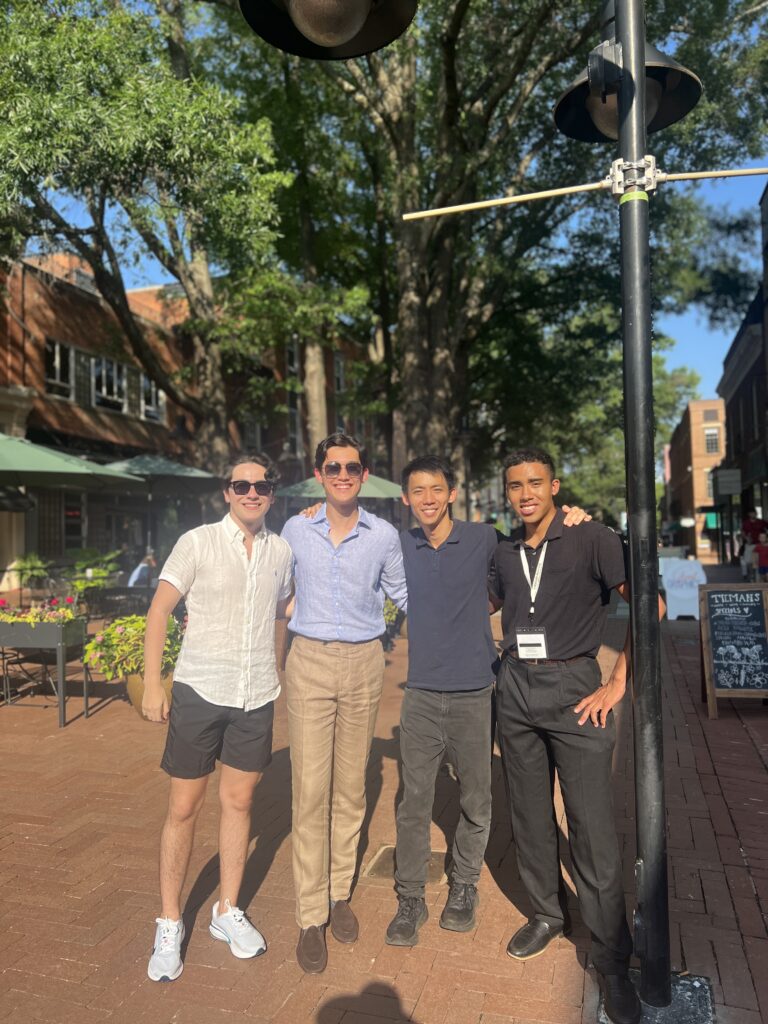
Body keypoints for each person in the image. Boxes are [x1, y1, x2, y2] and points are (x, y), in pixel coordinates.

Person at [385, 455, 590, 948]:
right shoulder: (398, 545)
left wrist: (572, 515)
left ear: (452, 493)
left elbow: (535, 542)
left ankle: (464, 887)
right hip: (419, 694)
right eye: (418, 492)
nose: (428, 500)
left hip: (477, 691)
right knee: (413, 802)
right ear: (406, 500)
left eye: (436, 490)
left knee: (477, 800)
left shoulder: (484, 538)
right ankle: (410, 895)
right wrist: (312, 514)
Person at [489, 448, 664, 1024]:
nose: (525, 494)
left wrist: (619, 682)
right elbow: (486, 603)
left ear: (555, 485)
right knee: (529, 816)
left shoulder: (591, 537)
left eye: (535, 482)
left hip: (575, 688)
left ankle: (613, 957)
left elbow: (651, 605)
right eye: (515, 485)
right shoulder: (504, 551)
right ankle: (547, 913)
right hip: (515, 687)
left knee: (590, 827)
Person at [142, 453, 292, 983]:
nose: (252, 493)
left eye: (262, 485)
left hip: (255, 696)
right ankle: (168, 920)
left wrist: (278, 664)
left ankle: (227, 910)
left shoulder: (281, 550)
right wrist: (154, 683)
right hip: (201, 690)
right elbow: (159, 609)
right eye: (242, 485)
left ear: (272, 493)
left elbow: (283, 611)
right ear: (227, 492)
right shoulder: (198, 541)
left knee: (240, 801)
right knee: (183, 808)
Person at [281, 432, 408, 975]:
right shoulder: (294, 528)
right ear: (319, 474)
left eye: (351, 467)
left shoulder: (383, 535)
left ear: (364, 473)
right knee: (310, 789)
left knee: (351, 787)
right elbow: (274, 588)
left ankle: (338, 895)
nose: (341, 474)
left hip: (362, 665)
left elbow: (408, 595)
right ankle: (310, 915)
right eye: (332, 467)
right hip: (308, 661)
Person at [741, 510, 768, 581]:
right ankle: (751, 575)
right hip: (750, 544)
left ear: (756, 514)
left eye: (754, 513)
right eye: (751, 513)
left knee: (761, 561)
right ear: (749, 514)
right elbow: (743, 532)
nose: (753, 514)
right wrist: (746, 538)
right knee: (748, 562)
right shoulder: (746, 523)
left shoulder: (761, 522)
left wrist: (765, 538)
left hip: (761, 544)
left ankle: (760, 577)